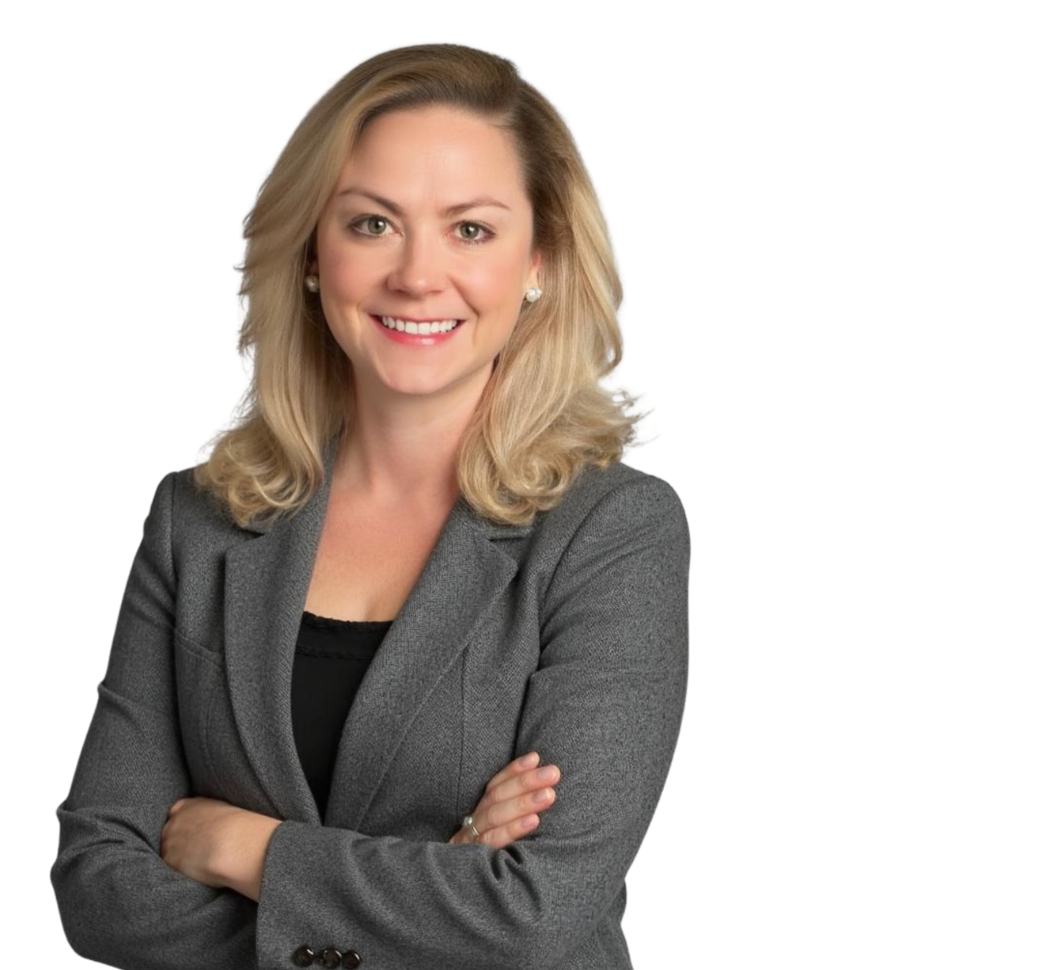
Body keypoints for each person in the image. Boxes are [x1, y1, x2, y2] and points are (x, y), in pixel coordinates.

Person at [50, 41, 689, 970]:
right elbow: (98, 891)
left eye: (471, 229)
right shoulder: (195, 518)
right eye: (372, 224)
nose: (417, 276)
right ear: (312, 253)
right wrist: (439, 883)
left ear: (538, 262)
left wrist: (250, 852)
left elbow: (541, 912)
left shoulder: (613, 533)